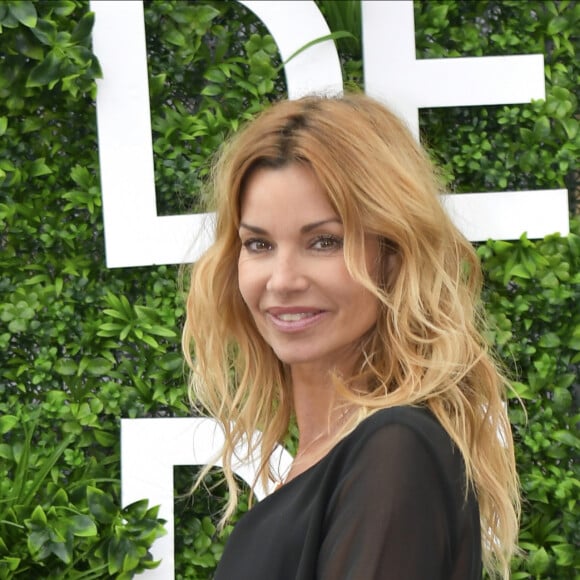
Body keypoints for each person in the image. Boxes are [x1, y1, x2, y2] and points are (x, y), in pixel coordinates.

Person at [182, 92, 520, 579]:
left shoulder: (394, 452)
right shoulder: (333, 458)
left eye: (324, 241)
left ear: (394, 253)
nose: (282, 280)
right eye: (259, 243)